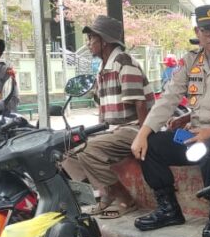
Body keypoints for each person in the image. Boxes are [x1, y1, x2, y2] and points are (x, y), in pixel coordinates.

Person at [131, 4, 210, 237]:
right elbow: (169, 98)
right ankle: (168, 209)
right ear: (197, 31)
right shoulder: (190, 61)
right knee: (152, 144)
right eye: (206, 29)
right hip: (195, 131)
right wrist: (144, 132)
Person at [60, 15, 152, 218]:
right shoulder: (103, 69)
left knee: (88, 151)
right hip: (112, 129)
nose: (89, 43)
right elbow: (102, 109)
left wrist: (144, 136)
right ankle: (103, 193)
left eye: (92, 38)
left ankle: (125, 199)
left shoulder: (124, 63)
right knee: (65, 149)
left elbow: (140, 102)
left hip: (132, 128)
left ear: (104, 40)